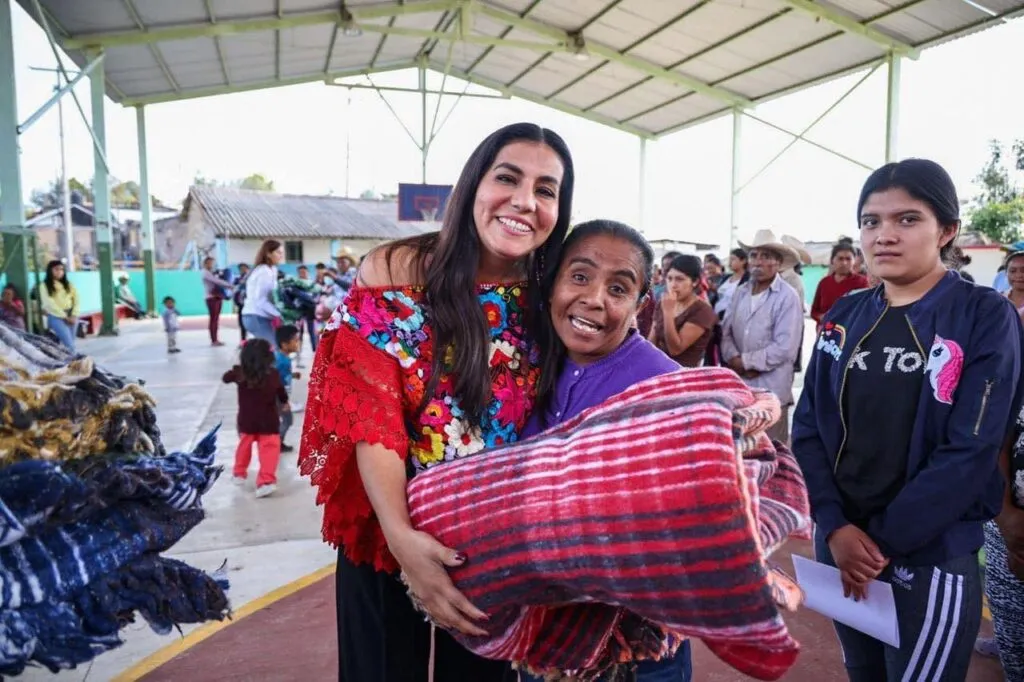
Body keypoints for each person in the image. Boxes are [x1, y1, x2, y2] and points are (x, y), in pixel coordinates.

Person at [298, 122, 574, 682]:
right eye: (508, 178)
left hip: (491, 549)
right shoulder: (393, 271)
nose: (524, 201)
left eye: (546, 189)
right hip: (385, 532)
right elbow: (373, 418)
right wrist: (403, 542)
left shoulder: (555, 295)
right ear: (473, 184)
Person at [792, 158, 1024, 682]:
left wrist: (881, 545)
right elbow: (808, 427)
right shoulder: (845, 316)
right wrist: (834, 526)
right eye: (871, 221)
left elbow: (972, 448)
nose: (884, 236)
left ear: (947, 230)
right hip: (840, 545)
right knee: (864, 671)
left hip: (927, 554)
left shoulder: (983, 315)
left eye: (907, 219)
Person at [518, 219, 693, 682]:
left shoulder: (666, 389)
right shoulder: (525, 367)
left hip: (636, 650)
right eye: (579, 276)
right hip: (544, 638)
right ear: (552, 283)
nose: (594, 298)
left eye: (618, 288)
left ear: (641, 305)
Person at [720, 230, 804, 444]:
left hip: (772, 389)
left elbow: (785, 347)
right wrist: (733, 359)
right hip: (741, 387)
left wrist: (745, 362)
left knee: (772, 449)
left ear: (778, 263)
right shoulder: (741, 292)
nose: (758, 262)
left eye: (765, 256)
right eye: (754, 256)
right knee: (743, 447)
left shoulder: (787, 296)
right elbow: (726, 331)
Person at [224, 338, 289, 498]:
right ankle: (266, 482)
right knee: (269, 450)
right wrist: (285, 402)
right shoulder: (273, 374)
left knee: (244, 446)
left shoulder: (240, 373)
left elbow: (225, 378)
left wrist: (236, 367)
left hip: (247, 419)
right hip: (268, 420)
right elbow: (281, 391)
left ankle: (239, 473)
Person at [649, 254, 717, 367]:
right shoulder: (664, 302)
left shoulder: (703, 311)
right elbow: (652, 341)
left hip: (683, 374)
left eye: (679, 279)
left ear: (694, 282)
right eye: (669, 278)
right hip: (658, 369)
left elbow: (675, 349)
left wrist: (668, 313)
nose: (673, 285)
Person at [810, 242, 870, 329]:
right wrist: (822, 317)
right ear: (832, 260)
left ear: (854, 261)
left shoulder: (862, 282)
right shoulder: (824, 282)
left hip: (850, 331)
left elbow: (865, 310)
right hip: (824, 331)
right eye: (840, 259)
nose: (844, 263)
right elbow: (814, 311)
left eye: (848, 259)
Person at [241, 241, 284, 345]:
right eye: (278, 252)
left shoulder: (272, 269)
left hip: (261, 317)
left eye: (282, 253)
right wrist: (279, 314)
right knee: (274, 351)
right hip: (255, 316)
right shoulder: (264, 271)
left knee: (264, 352)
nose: (281, 256)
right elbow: (260, 300)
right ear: (268, 254)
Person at [39, 260, 79, 351]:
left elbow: (77, 299)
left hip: (71, 315)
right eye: (56, 269)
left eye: (61, 269)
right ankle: (73, 364)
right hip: (56, 317)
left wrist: (74, 314)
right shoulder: (44, 285)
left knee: (70, 344)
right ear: (50, 270)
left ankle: (67, 363)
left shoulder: (68, 284)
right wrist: (65, 317)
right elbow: (49, 303)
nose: (60, 272)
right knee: (69, 345)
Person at [274, 324, 302, 453]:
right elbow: (276, 381)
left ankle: (277, 442)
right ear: (284, 344)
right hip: (278, 397)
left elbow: (280, 375)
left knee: (284, 420)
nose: (298, 343)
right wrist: (283, 401)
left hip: (279, 396)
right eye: (295, 341)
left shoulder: (281, 358)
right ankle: (276, 443)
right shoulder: (282, 361)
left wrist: (292, 375)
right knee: (287, 420)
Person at [201, 257, 233, 347]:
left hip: (217, 297)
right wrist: (230, 286)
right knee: (213, 319)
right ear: (205, 264)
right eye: (210, 263)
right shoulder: (205, 273)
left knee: (216, 319)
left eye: (213, 263)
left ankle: (216, 339)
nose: (211, 265)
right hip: (211, 298)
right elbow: (217, 281)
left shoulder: (212, 272)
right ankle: (214, 340)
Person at [233, 263, 250, 342]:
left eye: (244, 268)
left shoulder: (251, 278)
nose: (242, 270)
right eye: (241, 269)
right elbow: (234, 290)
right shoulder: (237, 279)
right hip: (241, 303)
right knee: (241, 322)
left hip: (249, 304)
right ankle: (243, 340)